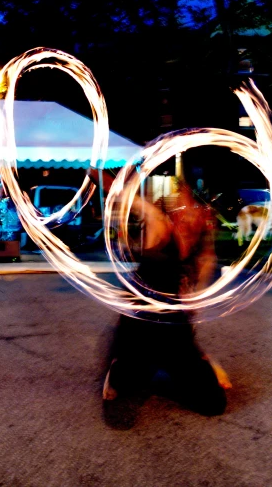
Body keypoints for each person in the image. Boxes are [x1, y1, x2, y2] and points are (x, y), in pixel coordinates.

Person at [95, 170, 230, 426]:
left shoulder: (200, 243)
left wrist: (195, 298)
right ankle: (119, 364)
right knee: (122, 409)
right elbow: (128, 199)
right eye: (181, 209)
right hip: (140, 326)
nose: (187, 216)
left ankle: (171, 367)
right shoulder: (159, 223)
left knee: (214, 405)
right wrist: (102, 176)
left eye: (194, 211)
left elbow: (204, 269)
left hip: (173, 330)